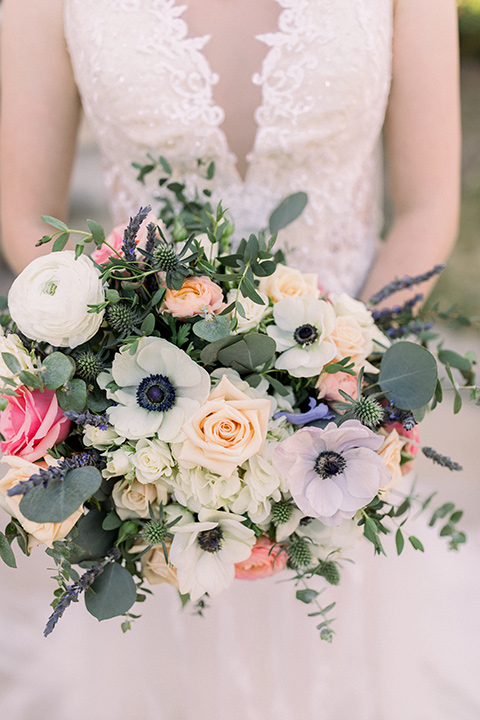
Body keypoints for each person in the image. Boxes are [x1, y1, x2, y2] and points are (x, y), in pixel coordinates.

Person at [1, 2, 476, 720]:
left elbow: (428, 202)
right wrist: (127, 363)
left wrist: (351, 388)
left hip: (349, 408)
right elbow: (25, 210)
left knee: (346, 651)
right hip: (146, 417)